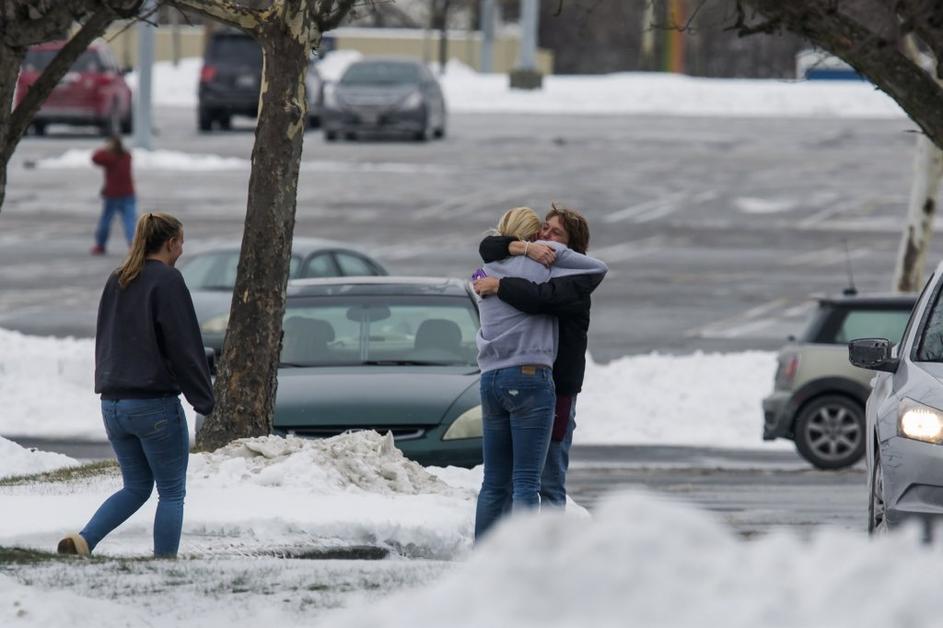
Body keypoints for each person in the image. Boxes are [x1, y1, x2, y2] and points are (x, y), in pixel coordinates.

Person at [58, 212, 214, 559]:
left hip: (113, 403)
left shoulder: (118, 278)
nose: (182, 250)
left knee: (136, 486)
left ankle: (83, 541)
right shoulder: (168, 281)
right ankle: (163, 565)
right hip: (153, 405)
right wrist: (203, 399)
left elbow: (107, 337)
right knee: (171, 492)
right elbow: (184, 345)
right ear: (170, 243)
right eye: (181, 242)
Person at [474, 207, 607, 539]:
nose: (545, 238)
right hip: (532, 384)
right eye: (543, 230)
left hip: (557, 391)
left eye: (555, 234)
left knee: (545, 482)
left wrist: (500, 284)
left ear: (570, 249)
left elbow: (539, 299)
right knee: (520, 482)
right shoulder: (529, 263)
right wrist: (522, 248)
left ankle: (544, 551)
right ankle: (521, 553)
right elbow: (488, 245)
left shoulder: (570, 283)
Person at [90, 135, 136, 255]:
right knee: (129, 221)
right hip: (128, 193)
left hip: (112, 195)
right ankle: (133, 245)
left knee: (106, 220)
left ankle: (100, 245)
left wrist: (104, 149)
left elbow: (95, 158)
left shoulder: (109, 157)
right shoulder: (127, 156)